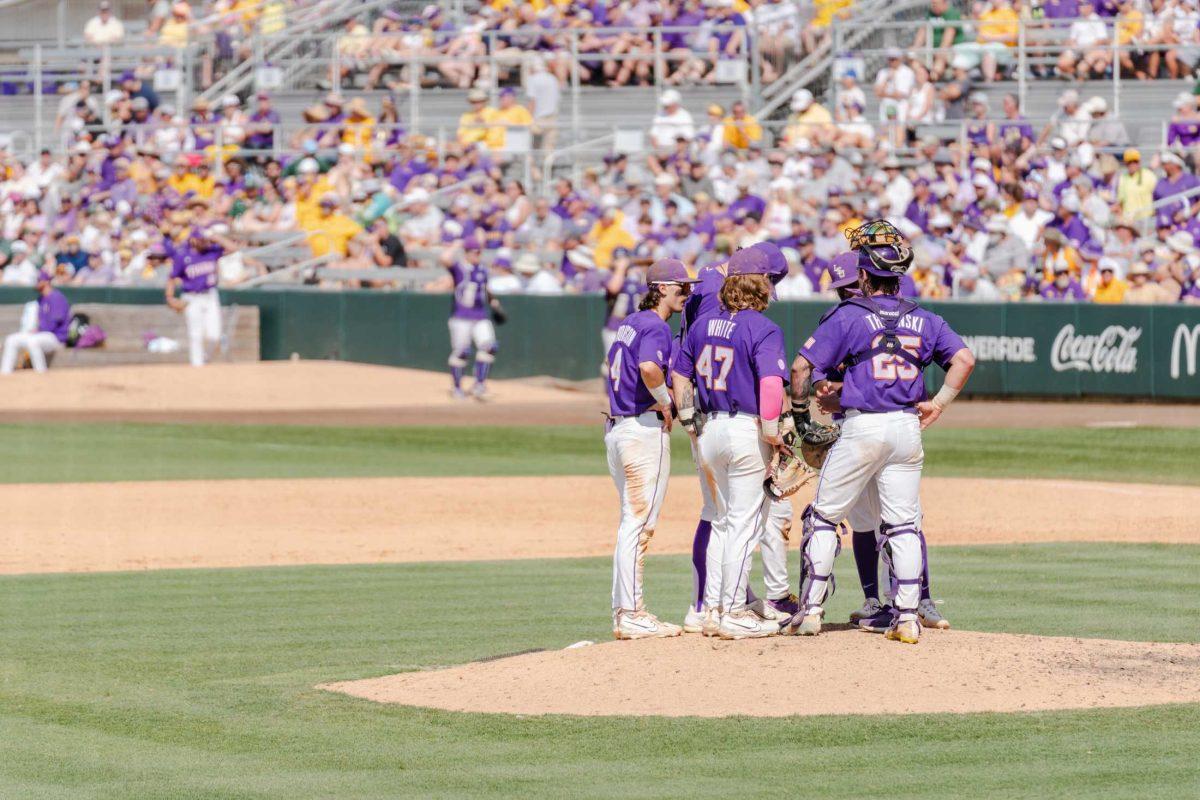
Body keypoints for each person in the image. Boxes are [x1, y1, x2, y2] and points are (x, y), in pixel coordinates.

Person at [786, 220, 975, 644]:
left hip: (862, 426)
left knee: (823, 518)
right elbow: (964, 359)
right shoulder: (925, 318)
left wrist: (801, 415)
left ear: (866, 276)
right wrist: (939, 403)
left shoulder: (849, 315)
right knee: (904, 524)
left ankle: (811, 611)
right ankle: (907, 617)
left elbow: (800, 368)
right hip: (908, 426)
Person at [813, 252, 951, 632]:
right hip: (859, 428)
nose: (846, 294)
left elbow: (866, 380)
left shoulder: (867, 319)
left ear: (865, 279)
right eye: (841, 290)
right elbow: (829, 376)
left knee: (902, 519)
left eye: (850, 286)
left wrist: (834, 394)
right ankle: (876, 599)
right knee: (866, 522)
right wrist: (828, 393)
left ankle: (917, 599)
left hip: (871, 427)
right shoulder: (844, 319)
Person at [672, 246, 790, 640]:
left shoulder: (705, 325)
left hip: (709, 429)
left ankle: (714, 608)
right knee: (744, 524)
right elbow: (771, 384)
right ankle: (735, 611)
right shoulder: (763, 328)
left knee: (721, 522)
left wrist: (688, 417)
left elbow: (680, 374)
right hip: (744, 430)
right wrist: (772, 432)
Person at [605, 258, 697, 640]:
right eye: (681, 287)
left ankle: (624, 611)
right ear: (660, 288)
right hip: (641, 430)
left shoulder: (629, 322)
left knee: (631, 523)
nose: (687, 293)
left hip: (617, 428)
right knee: (639, 525)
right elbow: (649, 369)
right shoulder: (656, 326)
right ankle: (632, 612)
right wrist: (663, 401)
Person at [165, 224, 237, 367]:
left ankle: (205, 358)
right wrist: (170, 297)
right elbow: (172, 277)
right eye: (201, 239)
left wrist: (215, 236)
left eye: (205, 239)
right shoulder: (183, 256)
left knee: (214, 335)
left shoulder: (211, 251)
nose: (204, 241)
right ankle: (196, 367)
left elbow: (233, 248)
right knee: (195, 334)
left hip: (210, 295)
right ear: (193, 240)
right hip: (191, 297)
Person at [443, 237, 499, 400]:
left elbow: (485, 288)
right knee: (462, 352)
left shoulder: (482, 269)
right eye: (475, 252)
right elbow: (444, 259)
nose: (478, 255)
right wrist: (456, 245)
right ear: (467, 253)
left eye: (480, 252)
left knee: (490, 346)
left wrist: (493, 301)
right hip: (461, 317)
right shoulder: (460, 268)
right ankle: (457, 387)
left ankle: (479, 384)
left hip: (480, 315)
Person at [1, 272, 70, 374]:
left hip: (56, 337)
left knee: (32, 341)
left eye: (39, 280)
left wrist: (37, 330)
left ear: (46, 282)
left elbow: (53, 324)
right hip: (41, 334)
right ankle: (5, 373)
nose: (36, 283)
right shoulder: (41, 299)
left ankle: (41, 373)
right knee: (11, 340)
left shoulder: (56, 297)